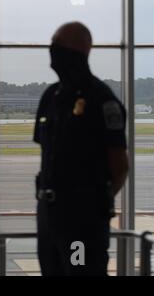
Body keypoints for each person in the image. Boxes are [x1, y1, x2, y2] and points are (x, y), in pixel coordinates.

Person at [33, 22, 129, 276]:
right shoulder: (51, 98)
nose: (52, 54)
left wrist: (92, 204)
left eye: (58, 47)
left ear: (80, 50)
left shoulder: (102, 100)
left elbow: (119, 167)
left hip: (83, 222)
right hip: (49, 217)